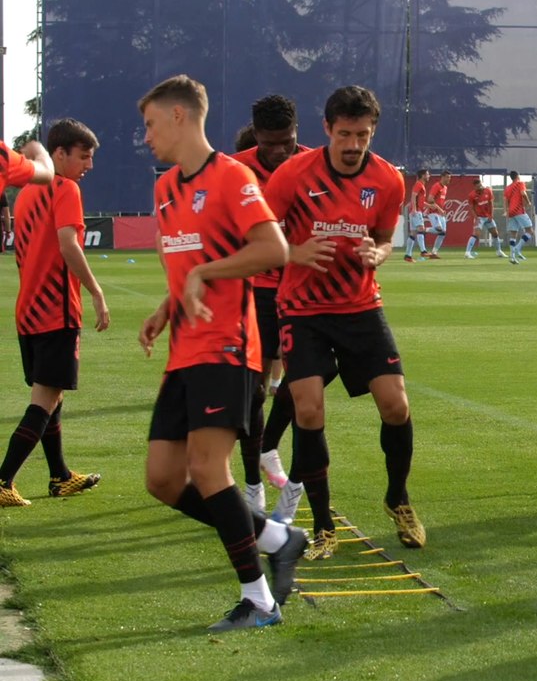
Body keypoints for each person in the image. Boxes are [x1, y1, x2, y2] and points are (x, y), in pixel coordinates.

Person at [136, 75, 306, 631]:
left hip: (228, 345)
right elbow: (188, 263)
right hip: (184, 349)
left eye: (151, 124)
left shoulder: (232, 177)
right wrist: (166, 306)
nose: (147, 137)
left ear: (181, 117)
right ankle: (278, 538)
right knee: (163, 479)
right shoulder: (164, 190)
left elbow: (273, 249)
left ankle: (259, 601)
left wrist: (207, 272)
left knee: (209, 469)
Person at [262, 85, 422, 561]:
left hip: (360, 308)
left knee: (396, 406)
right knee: (308, 410)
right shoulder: (292, 176)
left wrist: (380, 253)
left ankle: (398, 499)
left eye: (364, 135)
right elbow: (260, 239)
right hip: (303, 310)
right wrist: (296, 252)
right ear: (327, 129)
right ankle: (324, 523)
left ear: (373, 132)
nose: (354, 144)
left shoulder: (388, 180)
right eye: (345, 134)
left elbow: (385, 240)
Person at [1, 125, 89, 508]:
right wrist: (97, 292)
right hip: (57, 310)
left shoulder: (25, 194)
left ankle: (60, 476)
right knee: (44, 399)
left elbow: (30, 149)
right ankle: (3, 480)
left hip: (28, 311)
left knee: (51, 397)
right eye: (82, 155)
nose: (88, 164)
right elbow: (69, 245)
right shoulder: (66, 189)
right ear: (60, 154)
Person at [232, 94, 308, 506]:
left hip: (303, 293)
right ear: (256, 134)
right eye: (269, 143)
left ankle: (269, 448)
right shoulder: (237, 168)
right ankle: (252, 487)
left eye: (288, 142)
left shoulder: (315, 164)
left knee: (303, 385)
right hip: (256, 292)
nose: (279, 151)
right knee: (253, 392)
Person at [465, 177, 505, 259]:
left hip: (488, 217)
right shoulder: (472, 195)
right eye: (478, 187)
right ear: (475, 187)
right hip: (479, 217)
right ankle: (467, 253)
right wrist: (476, 217)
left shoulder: (488, 191)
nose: (480, 188)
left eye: (480, 186)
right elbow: (471, 208)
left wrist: (491, 215)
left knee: (495, 233)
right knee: (476, 234)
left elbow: (491, 204)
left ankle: (499, 251)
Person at [504, 171, 534, 263]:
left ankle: (512, 256)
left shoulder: (508, 188)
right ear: (517, 176)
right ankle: (517, 248)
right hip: (519, 210)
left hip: (511, 212)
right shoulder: (520, 183)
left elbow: (505, 200)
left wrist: (506, 211)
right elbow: (523, 193)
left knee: (513, 234)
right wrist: (528, 202)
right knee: (530, 231)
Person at [404, 169, 430, 263]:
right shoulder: (418, 184)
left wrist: (429, 206)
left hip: (415, 211)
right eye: (427, 174)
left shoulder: (421, 185)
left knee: (413, 233)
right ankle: (423, 251)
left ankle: (408, 255)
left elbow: (420, 200)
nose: (429, 176)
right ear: (423, 175)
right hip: (416, 211)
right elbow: (413, 196)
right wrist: (414, 208)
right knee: (421, 228)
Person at [425, 170, 450, 259]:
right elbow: (430, 199)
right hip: (433, 212)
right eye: (447, 177)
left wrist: (442, 210)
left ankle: (434, 253)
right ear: (442, 177)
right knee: (439, 229)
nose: (449, 179)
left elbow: (440, 201)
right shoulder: (436, 186)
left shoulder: (445, 188)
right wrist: (439, 209)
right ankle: (423, 230)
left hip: (440, 213)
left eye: (450, 177)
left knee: (443, 233)